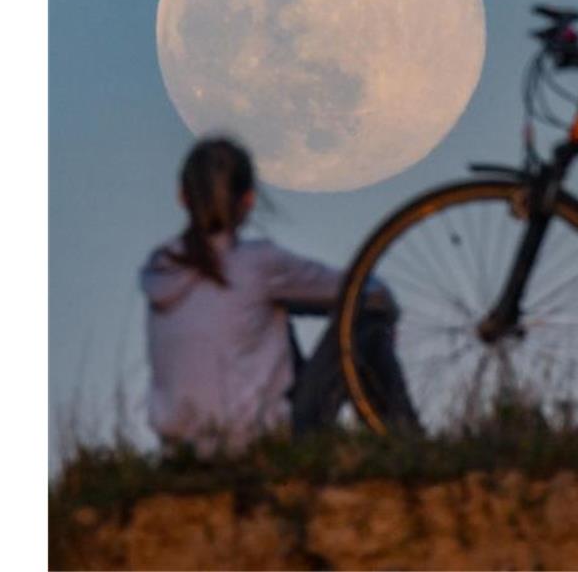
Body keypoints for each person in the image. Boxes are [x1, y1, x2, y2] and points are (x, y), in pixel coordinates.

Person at [139, 137, 416, 457]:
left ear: (182, 198)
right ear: (249, 200)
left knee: (277, 312)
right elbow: (369, 291)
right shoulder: (261, 264)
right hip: (258, 440)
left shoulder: (161, 269)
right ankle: (409, 442)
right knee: (368, 316)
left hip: (184, 451)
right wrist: (388, 313)